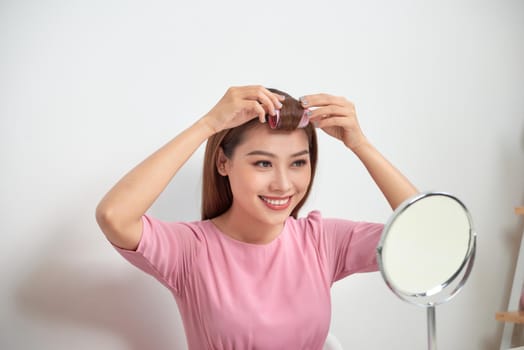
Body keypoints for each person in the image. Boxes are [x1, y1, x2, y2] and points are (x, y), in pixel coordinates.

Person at [95, 85, 418, 349]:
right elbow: (114, 215)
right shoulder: (190, 249)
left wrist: (360, 144)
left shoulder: (322, 241)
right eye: (263, 163)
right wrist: (208, 125)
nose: (283, 184)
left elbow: (426, 236)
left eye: (297, 163)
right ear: (224, 164)